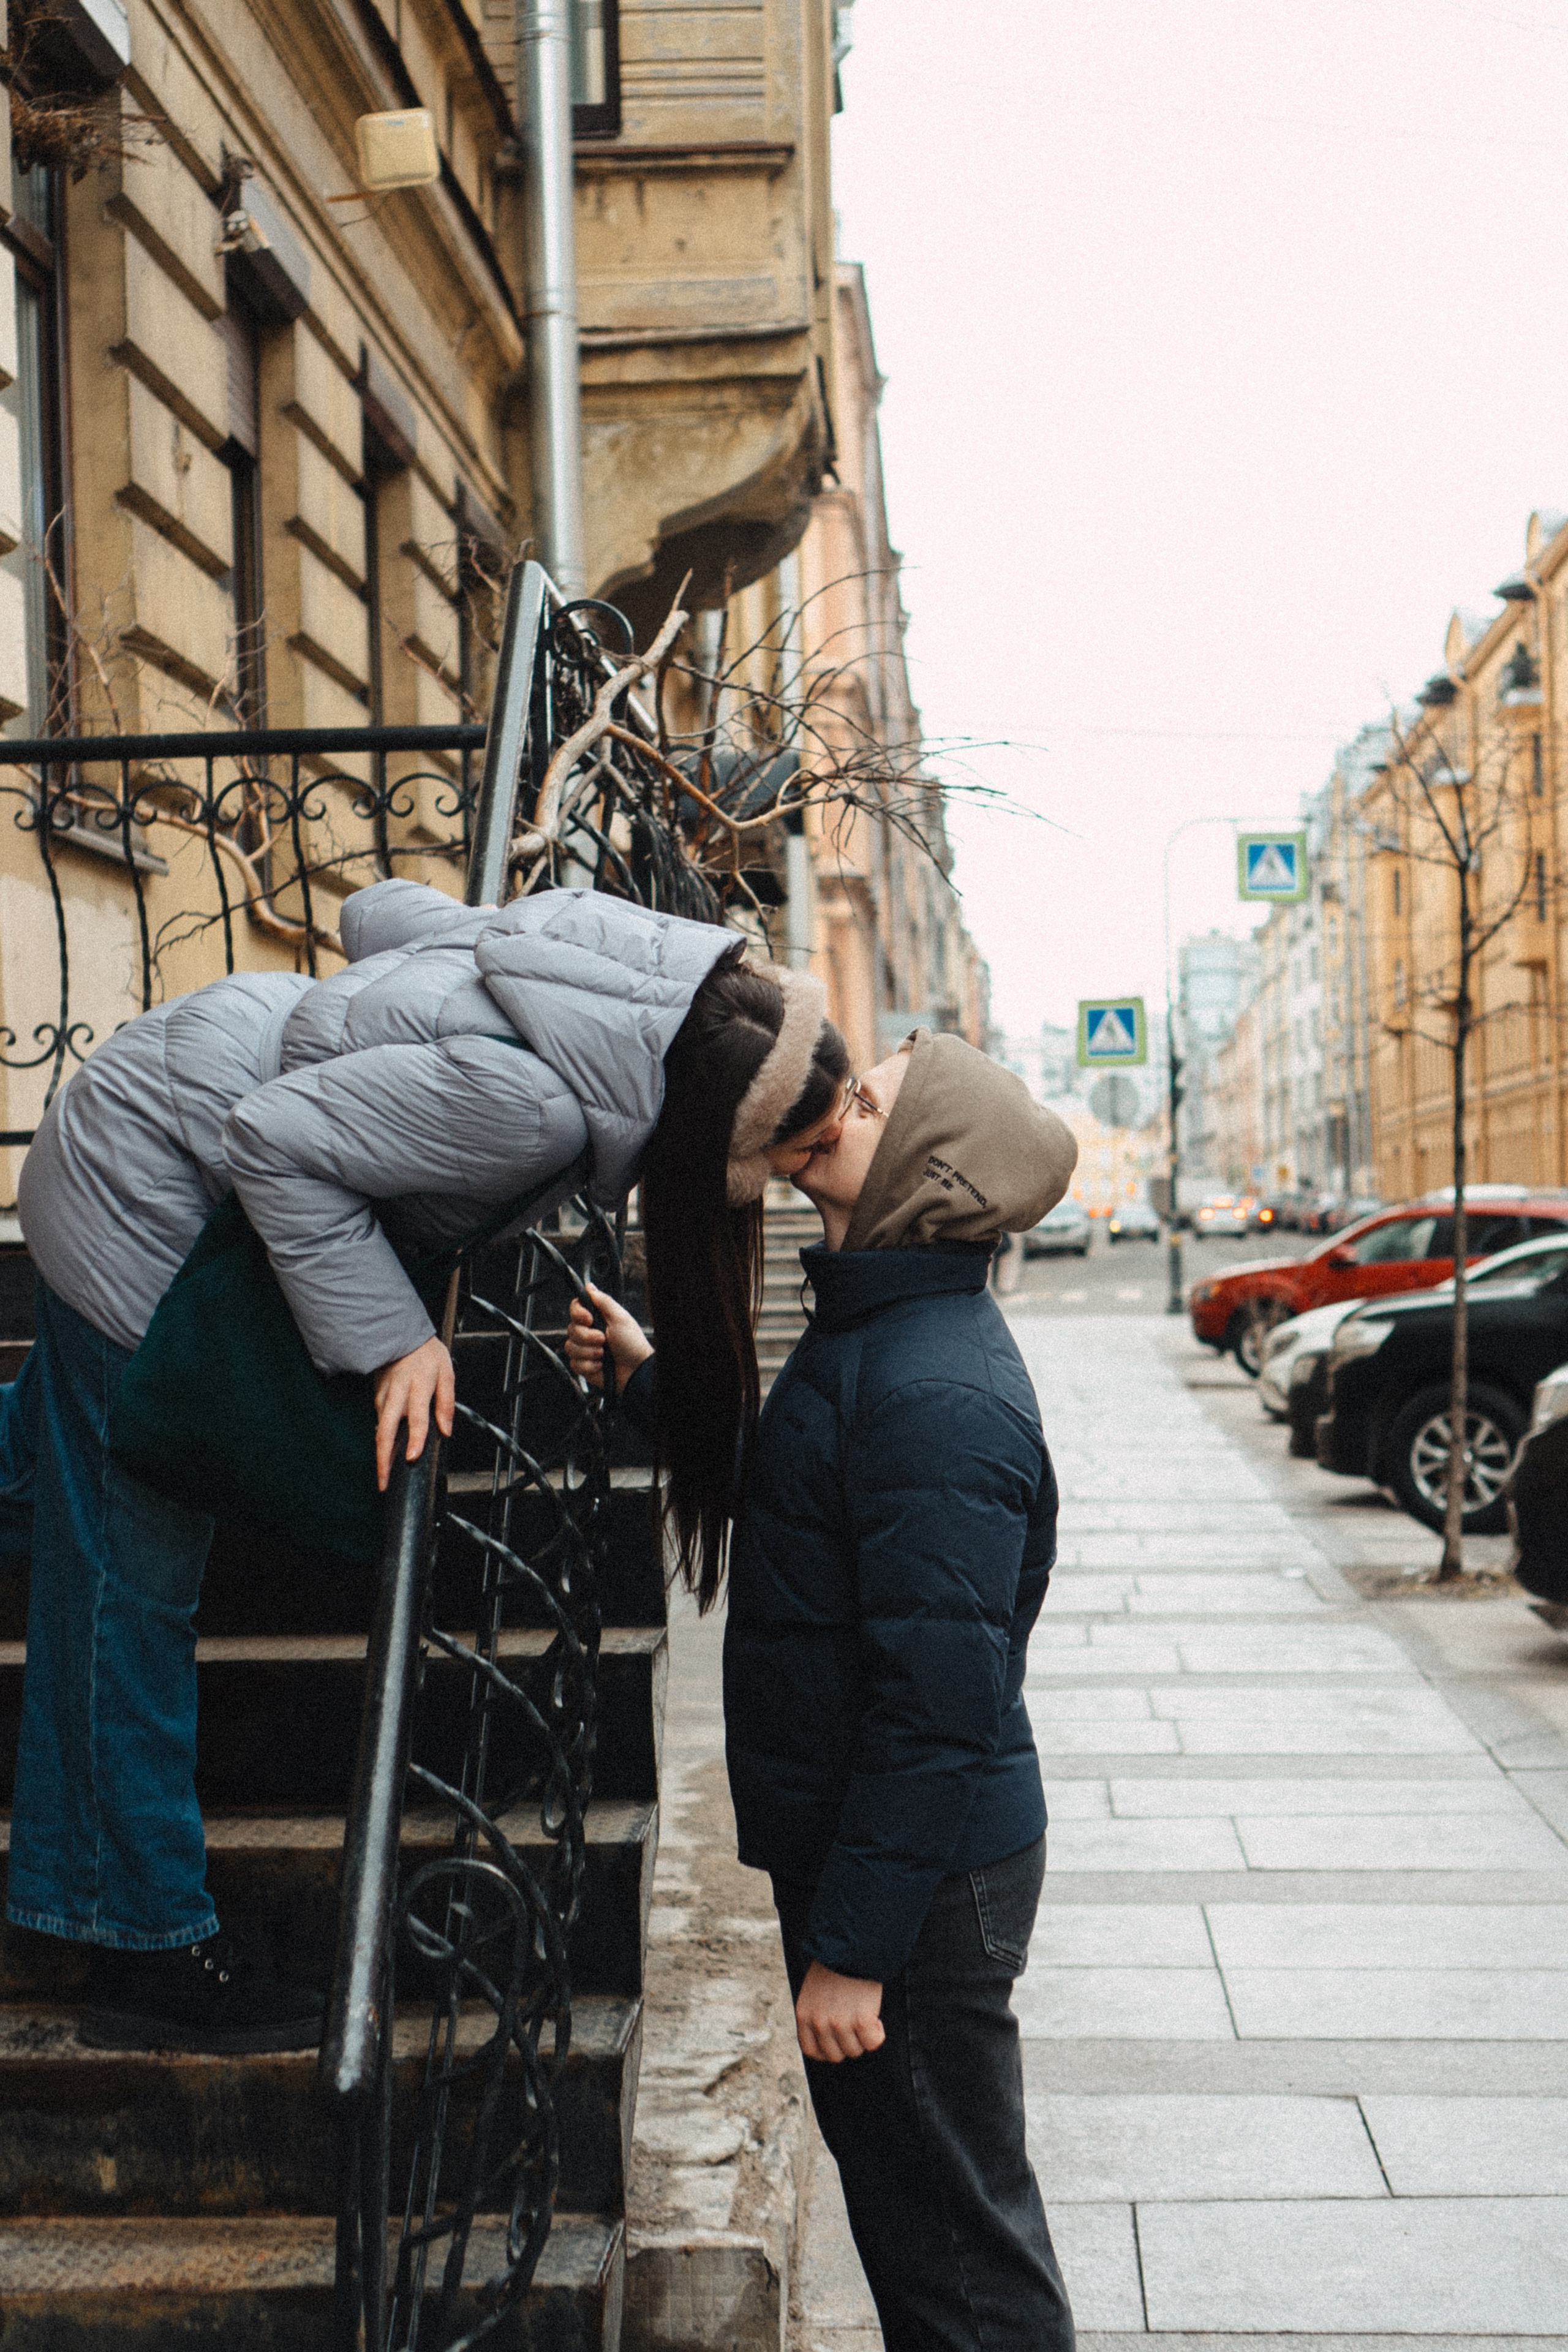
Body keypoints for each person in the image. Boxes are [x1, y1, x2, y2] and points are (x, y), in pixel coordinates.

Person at [1, 878, 846, 2054]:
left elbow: (378, 915)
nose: (804, 1174)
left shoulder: (591, 970)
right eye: (796, 1154)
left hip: (165, 1087)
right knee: (127, 1580)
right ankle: (138, 1941)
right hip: (145, 1189)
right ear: (719, 1132)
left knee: (48, 1464)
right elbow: (275, 1142)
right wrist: (398, 1335)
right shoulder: (541, 1110)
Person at [567, 1027, 1080, 2352]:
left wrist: (853, 1953)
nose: (829, 1108)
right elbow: (799, 1488)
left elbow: (939, 1704)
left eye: (863, 1103)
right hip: (887, 1864)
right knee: (922, 2228)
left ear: (921, 1165)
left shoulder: (933, 1390)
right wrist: (646, 1380)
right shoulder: (880, 1338)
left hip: (912, 1893)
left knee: (955, 2255)